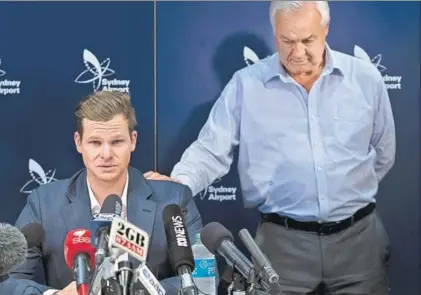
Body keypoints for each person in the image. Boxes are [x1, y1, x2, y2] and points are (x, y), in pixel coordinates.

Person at [145, 1, 396, 294]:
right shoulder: (246, 85)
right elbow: (210, 151)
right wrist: (179, 186)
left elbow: (383, 152)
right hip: (279, 248)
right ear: (275, 34)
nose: (298, 52)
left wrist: (347, 194)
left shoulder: (365, 79)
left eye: (308, 40)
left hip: (359, 244)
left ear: (326, 29)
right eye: (288, 41)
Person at [0, 91, 202, 295]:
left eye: (116, 142)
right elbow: (6, 281)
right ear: (78, 142)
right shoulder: (44, 203)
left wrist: (141, 291)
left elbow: (203, 277)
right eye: (95, 143)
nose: (106, 154)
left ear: (133, 140)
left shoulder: (174, 200)